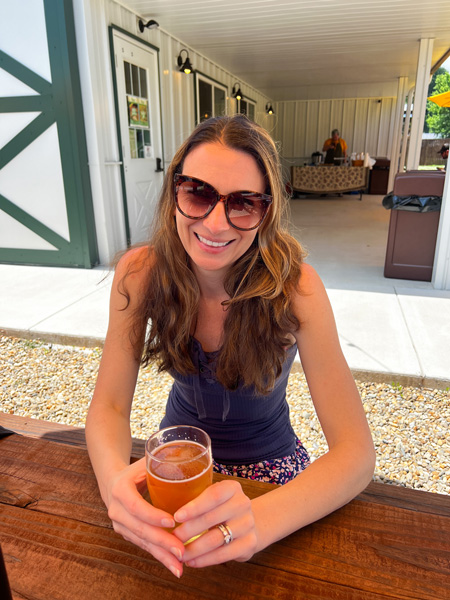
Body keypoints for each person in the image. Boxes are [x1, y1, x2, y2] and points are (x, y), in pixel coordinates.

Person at [86, 115, 375, 580]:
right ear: (174, 193)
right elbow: (111, 406)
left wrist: (261, 521)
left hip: (272, 470)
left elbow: (356, 453)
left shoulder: (297, 288)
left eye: (243, 203)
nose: (215, 223)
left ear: (267, 211)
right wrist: (114, 485)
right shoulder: (140, 273)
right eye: (197, 193)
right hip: (176, 463)